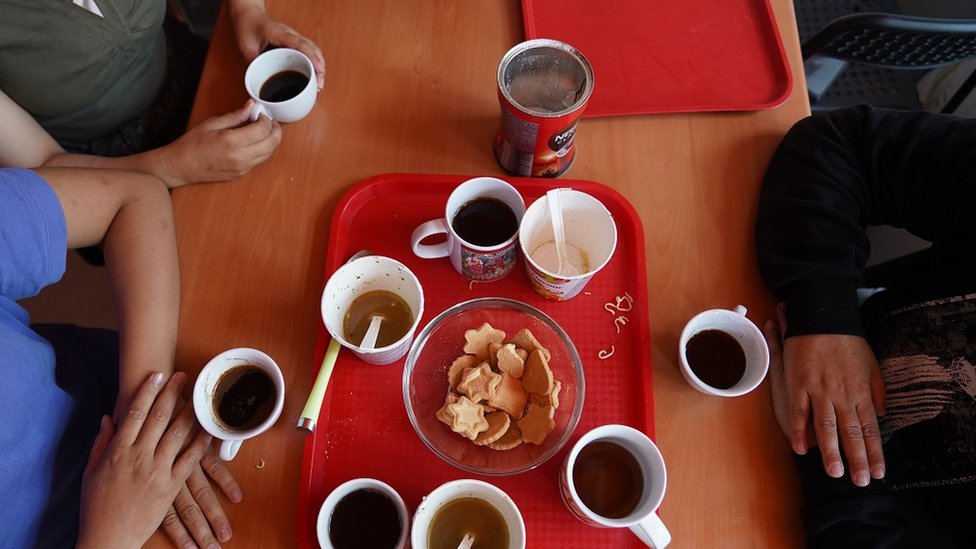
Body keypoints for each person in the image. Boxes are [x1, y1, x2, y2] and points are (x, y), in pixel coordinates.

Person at [756, 104, 976, 547]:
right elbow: (838, 146)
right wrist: (824, 319)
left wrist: (827, 453)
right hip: (785, 329)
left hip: (799, 507)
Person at [0, 0, 325, 188]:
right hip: (108, 168)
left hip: (192, 69)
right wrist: (172, 167)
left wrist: (248, 11)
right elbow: (44, 165)